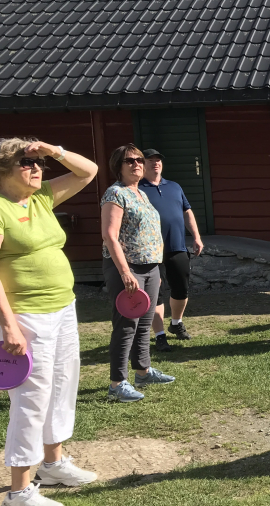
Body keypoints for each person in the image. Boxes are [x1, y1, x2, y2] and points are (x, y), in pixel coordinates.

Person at [0, 138, 99, 506]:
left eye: (38, 163)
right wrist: (9, 326)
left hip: (62, 306)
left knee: (62, 383)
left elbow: (88, 171)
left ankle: (52, 464)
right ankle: (19, 492)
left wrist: (54, 150)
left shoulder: (39, 198)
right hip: (26, 316)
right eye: (27, 164)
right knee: (31, 398)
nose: (37, 169)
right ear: (3, 170)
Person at [101, 144, 175, 403]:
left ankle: (142, 372)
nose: (136, 164)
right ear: (118, 166)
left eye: (139, 160)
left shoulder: (141, 193)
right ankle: (117, 384)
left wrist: (155, 267)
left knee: (145, 323)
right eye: (129, 160)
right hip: (128, 268)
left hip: (150, 267)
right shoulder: (115, 193)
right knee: (125, 325)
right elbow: (110, 236)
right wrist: (125, 273)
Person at [137, 149, 204, 352]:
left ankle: (176, 323)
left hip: (177, 246)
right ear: (142, 165)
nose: (155, 163)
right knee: (154, 293)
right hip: (150, 250)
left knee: (181, 289)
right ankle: (159, 335)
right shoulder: (137, 189)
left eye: (158, 160)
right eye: (150, 161)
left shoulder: (174, 187)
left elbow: (187, 211)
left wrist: (197, 236)